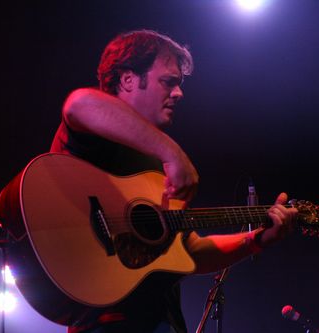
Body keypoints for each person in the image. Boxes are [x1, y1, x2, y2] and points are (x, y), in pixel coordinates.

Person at [50, 29, 298, 333]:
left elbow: (188, 251)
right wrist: (171, 151)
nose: (179, 93)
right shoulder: (99, 132)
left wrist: (255, 240)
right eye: (169, 82)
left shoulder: (154, 163)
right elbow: (79, 104)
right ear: (128, 80)